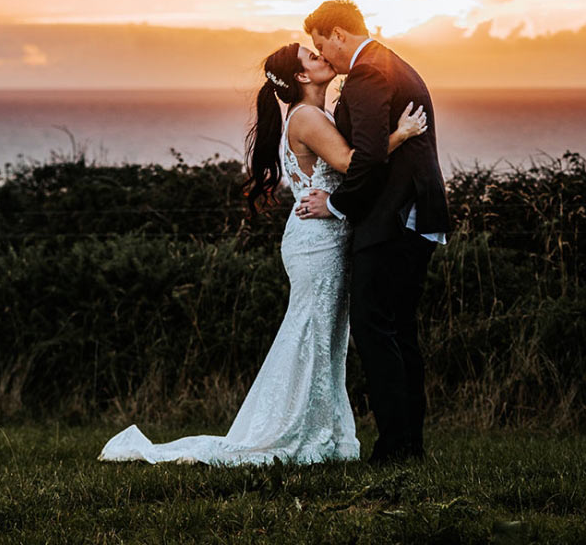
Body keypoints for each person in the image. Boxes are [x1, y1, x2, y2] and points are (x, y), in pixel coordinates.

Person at [97, 42, 427, 465]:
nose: (323, 57)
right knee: (312, 333)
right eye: (312, 56)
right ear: (302, 77)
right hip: (318, 241)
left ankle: (320, 433)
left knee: (324, 336)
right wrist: (401, 133)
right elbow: (349, 162)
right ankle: (290, 433)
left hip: (323, 234)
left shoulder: (314, 115)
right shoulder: (307, 117)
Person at [296, 0, 451, 463]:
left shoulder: (367, 73)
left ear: (339, 35)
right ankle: (409, 446)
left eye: (323, 45)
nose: (325, 57)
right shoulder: (391, 64)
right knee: (398, 330)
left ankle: (395, 447)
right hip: (416, 218)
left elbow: (366, 157)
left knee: (374, 327)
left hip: (392, 221)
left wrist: (336, 204)